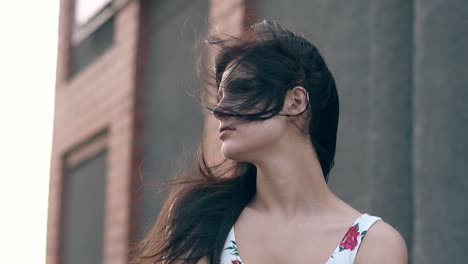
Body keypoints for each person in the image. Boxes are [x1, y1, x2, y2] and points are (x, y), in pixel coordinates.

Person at [130, 20, 407, 264]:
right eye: (221, 95)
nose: (219, 110)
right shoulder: (202, 222)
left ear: (295, 102)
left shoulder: (374, 245)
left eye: (241, 89)